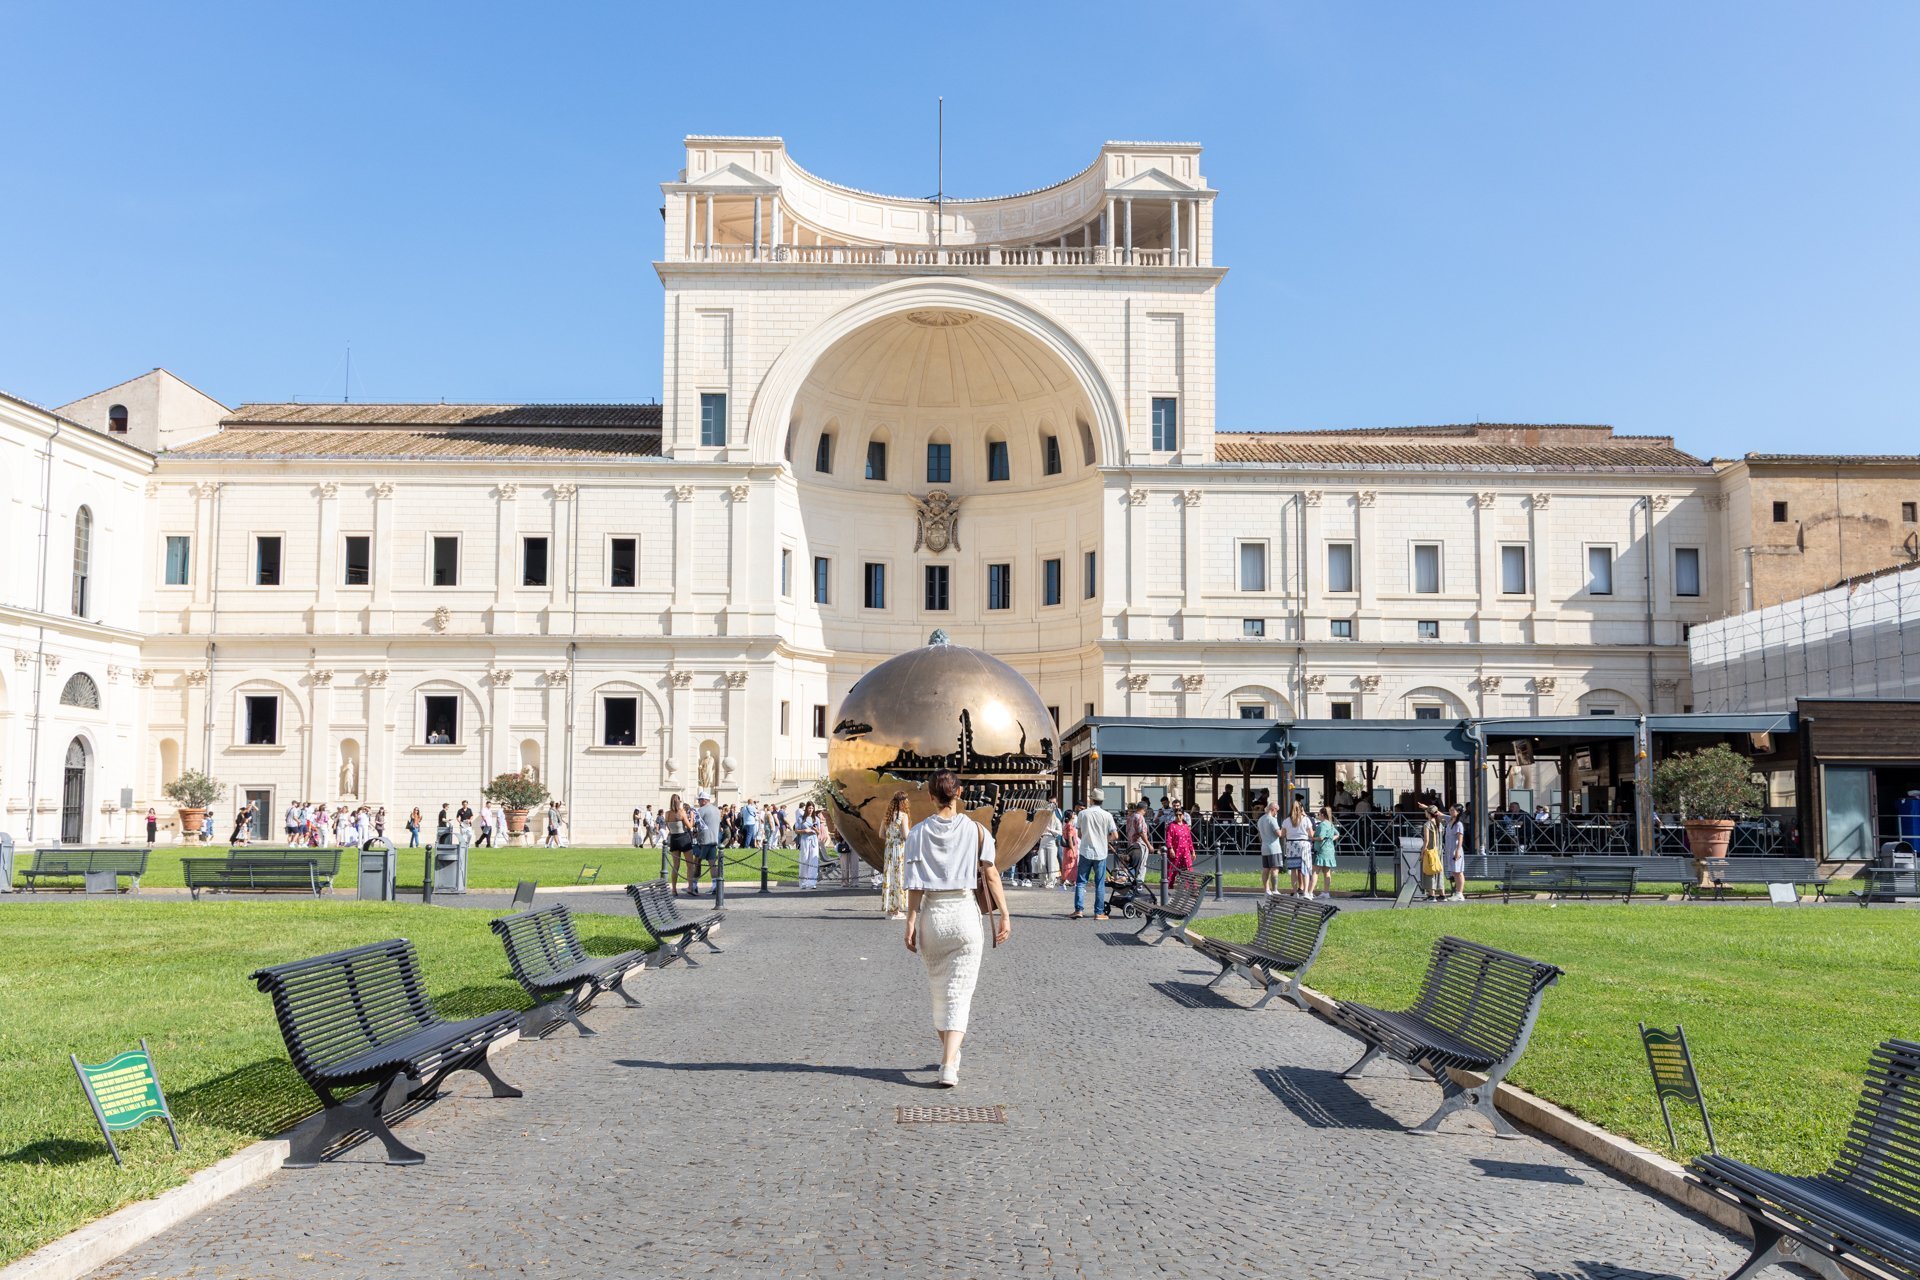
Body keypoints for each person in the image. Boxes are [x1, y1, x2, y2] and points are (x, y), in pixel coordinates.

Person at [901, 768, 1009, 1088]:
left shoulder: (918, 833)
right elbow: (990, 874)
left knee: (939, 994)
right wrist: (1005, 913)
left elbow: (914, 885)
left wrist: (910, 923)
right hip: (964, 913)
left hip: (933, 915)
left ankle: (948, 1055)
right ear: (959, 793)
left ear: (932, 796)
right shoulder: (977, 831)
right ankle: (949, 1063)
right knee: (960, 995)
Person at [1071, 798, 1115, 920]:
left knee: (1081, 882)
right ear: (1102, 801)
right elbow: (1115, 835)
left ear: (1091, 800)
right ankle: (1098, 912)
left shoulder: (1083, 814)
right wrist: (1104, 840)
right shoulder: (1107, 815)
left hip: (1086, 851)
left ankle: (1078, 910)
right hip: (1101, 852)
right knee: (1099, 883)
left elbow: (1079, 833)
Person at [880, 790, 910, 919]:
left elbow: (881, 834)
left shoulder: (887, 816)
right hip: (899, 849)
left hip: (889, 849)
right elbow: (906, 835)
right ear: (904, 802)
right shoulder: (903, 816)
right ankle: (896, 911)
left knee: (889, 877)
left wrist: (890, 838)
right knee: (898, 877)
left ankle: (889, 910)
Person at [1280, 800, 1314, 898]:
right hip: (1303, 843)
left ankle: (1295, 892)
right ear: (1301, 809)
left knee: (1293, 870)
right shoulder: (1306, 819)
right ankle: (1306, 892)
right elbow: (1311, 834)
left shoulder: (1286, 821)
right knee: (1305, 869)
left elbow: (1282, 835)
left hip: (1291, 844)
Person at [691, 789, 720, 894]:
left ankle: (694, 885)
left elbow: (697, 825)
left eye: (699, 800)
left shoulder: (701, 810)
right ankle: (715, 885)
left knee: (697, 862)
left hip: (703, 840)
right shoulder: (717, 810)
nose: (699, 802)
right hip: (713, 840)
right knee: (712, 863)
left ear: (704, 800)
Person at [1311, 805, 1339, 900]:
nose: (1318, 815)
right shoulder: (1330, 824)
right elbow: (1337, 834)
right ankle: (1326, 892)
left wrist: (1312, 838)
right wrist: (1331, 839)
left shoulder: (1322, 825)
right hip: (1330, 850)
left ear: (1322, 814)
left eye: (1318, 814)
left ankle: (1310, 892)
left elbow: (1321, 837)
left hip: (1321, 850)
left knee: (1315, 871)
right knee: (1327, 872)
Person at [1257, 800, 1284, 896]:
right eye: (1277, 810)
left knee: (1266, 869)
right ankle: (1275, 890)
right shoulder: (1272, 819)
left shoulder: (1260, 819)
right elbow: (1279, 834)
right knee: (1275, 869)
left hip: (1264, 847)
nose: (1277, 813)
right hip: (1274, 847)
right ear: (1273, 809)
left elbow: (1260, 835)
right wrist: (1284, 830)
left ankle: (1267, 890)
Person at [664, 793, 693, 886]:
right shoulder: (681, 812)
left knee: (675, 866)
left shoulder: (667, 814)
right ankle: (690, 887)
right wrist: (692, 817)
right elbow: (689, 826)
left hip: (673, 838)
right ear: (678, 801)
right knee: (690, 865)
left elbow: (668, 827)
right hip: (683, 838)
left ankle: (674, 889)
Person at [1124, 800, 1152, 891]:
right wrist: (1149, 845)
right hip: (1139, 845)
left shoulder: (1130, 817)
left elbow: (1127, 831)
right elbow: (1141, 832)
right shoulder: (1139, 817)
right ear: (1144, 809)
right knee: (1141, 868)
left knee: (1132, 867)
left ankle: (1130, 887)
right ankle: (1138, 888)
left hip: (1131, 845)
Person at [1164, 808, 1195, 887]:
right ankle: (1168, 887)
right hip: (1175, 851)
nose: (1178, 817)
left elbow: (1189, 840)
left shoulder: (1185, 826)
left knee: (1188, 869)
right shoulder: (1171, 826)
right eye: (1176, 815)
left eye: (1180, 815)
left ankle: (1192, 888)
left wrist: (1192, 851)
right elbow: (1168, 839)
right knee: (1172, 870)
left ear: (1183, 816)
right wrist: (1170, 849)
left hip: (1186, 851)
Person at [1442, 803, 1467, 902]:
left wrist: (1457, 851)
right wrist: (1426, 807)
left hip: (1455, 849)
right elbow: (1439, 814)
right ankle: (1457, 892)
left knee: (1458, 872)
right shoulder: (1450, 820)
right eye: (1450, 809)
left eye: (1453, 810)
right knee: (1454, 871)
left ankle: (1459, 893)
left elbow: (1460, 838)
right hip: (1449, 849)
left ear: (1458, 812)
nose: (1451, 811)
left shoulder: (1458, 824)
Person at [795, 802, 821, 889]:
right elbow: (796, 830)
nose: (810, 810)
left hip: (813, 840)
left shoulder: (816, 819)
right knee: (804, 860)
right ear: (806, 809)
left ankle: (812, 882)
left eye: (812, 808)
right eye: (809, 808)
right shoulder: (801, 818)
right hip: (805, 840)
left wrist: (815, 829)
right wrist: (804, 831)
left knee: (813, 861)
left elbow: (818, 832)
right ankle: (803, 882)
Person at [1058, 803, 1079, 891]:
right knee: (1069, 867)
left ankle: (1074, 884)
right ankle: (1062, 884)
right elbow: (1070, 839)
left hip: (1069, 849)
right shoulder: (1069, 826)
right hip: (1071, 849)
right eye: (1073, 814)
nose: (1074, 814)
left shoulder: (1066, 826)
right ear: (1070, 816)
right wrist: (1073, 850)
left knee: (1072, 867)